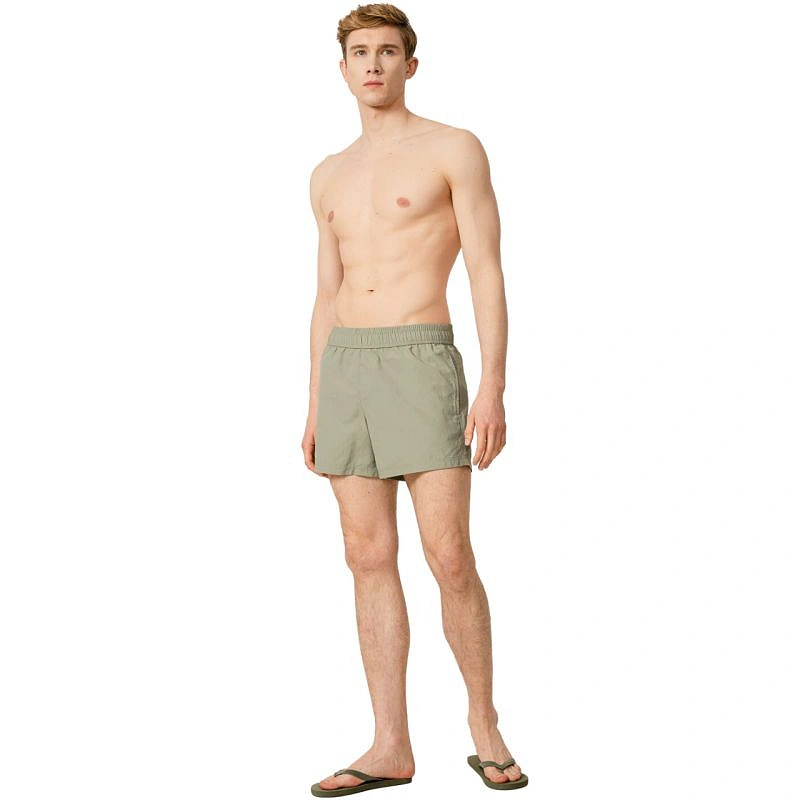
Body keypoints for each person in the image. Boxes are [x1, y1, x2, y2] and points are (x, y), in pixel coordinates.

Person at [301, 4, 527, 795]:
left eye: (388, 51)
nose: (373, 64)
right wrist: (315, 399)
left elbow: (486, 269)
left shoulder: (452, 148)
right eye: (360, 52)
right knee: (365, 556)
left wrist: (493, 382)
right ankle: (389, 745)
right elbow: (325, 293)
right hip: (347, 368)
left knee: (449, 553)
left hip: (421, 356)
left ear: (411, 64)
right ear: (342, 69)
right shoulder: (327, 173)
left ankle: (484, 727)